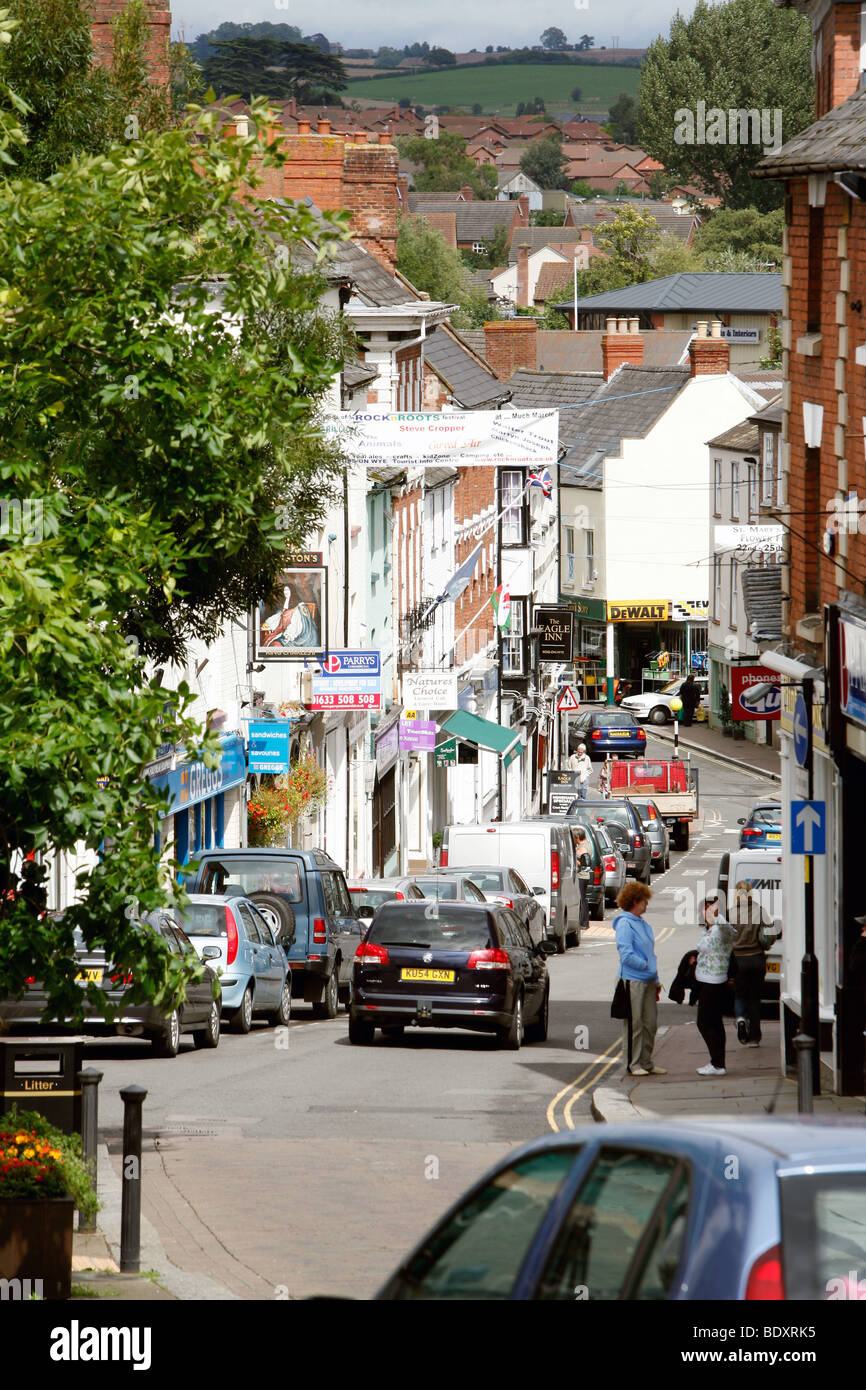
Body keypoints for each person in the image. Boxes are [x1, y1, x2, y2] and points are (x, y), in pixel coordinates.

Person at [613, 882, 667, 1076]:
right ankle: (633, 1064)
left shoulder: (644, 925)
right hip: (632, 980)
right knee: (634, 1025)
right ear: (635, 901)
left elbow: (650, 954)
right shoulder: (625, 923)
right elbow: (625, 953)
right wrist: (644, 966)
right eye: (644, 900)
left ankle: (646, 1062)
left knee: (650, 1024)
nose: (647, 904)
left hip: (649, 981)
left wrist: (655, 977)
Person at [694, 895, 737, 1075]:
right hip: (705, 981)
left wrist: (717, 917)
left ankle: (717, 1063)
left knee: (703, 1022)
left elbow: (733, 933)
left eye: (711, 908)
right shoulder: (709, 930)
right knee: (714, 1022)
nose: (707, 912)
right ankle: (719, 1064)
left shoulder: (722, 929)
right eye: (705, 909)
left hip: (714, 982)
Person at [730, 880, 775, 1047]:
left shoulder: (731, 913)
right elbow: (770, 935)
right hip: (756, 959)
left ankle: (741, 1018)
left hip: (738, 960)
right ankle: (755, 1038)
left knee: (740, 994)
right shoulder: (760, 911)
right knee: (755, 998)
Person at [573, 826, 591, 932]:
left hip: (581, 876)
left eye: (574, 838)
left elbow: (581, 862)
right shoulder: (588, 844)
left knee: (581, 899)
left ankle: (583, 922)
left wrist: (574, 856)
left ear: (578, 837)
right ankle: (585, 922)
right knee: (583, 899)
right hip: (585, 876)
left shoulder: (582, 847)